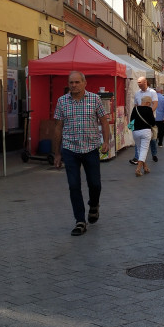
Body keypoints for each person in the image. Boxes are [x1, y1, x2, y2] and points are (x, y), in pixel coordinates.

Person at [53, 70, 111, 237]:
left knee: (95, 184)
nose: (74, 85)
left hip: (91, 148)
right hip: (70, 149)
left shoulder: (95, 99)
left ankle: (94, 205)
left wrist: (105, 141)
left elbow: (104, 121)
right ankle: (80, 221)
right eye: (71, 82)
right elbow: (58, 127)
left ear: (84, 83)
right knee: (73, 185)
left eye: (77, 82)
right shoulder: (62, 101)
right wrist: (57, 153)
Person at [131, 76, 161, 164]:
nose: (139, 84)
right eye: (138, 83)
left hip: (149, 118)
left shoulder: (152, 92)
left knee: (152, 138)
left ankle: (154, 153)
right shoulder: (137, 94)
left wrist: (148, 112)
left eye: (140, 83)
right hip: (139, 118)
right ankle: (137, 157)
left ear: (145, 82)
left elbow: (155, 104)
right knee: (139, 139)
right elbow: (135, 106)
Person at [129, 94, 156, 176]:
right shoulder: (149, 110)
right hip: (145, 131)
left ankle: (145, 167)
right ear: (148, 103)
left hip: (135, 132)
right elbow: (152, 122)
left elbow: (131, 121)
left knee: (139, 149)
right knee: (144, 150)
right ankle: (138, 169)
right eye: (150, 103)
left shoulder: (135, 108)